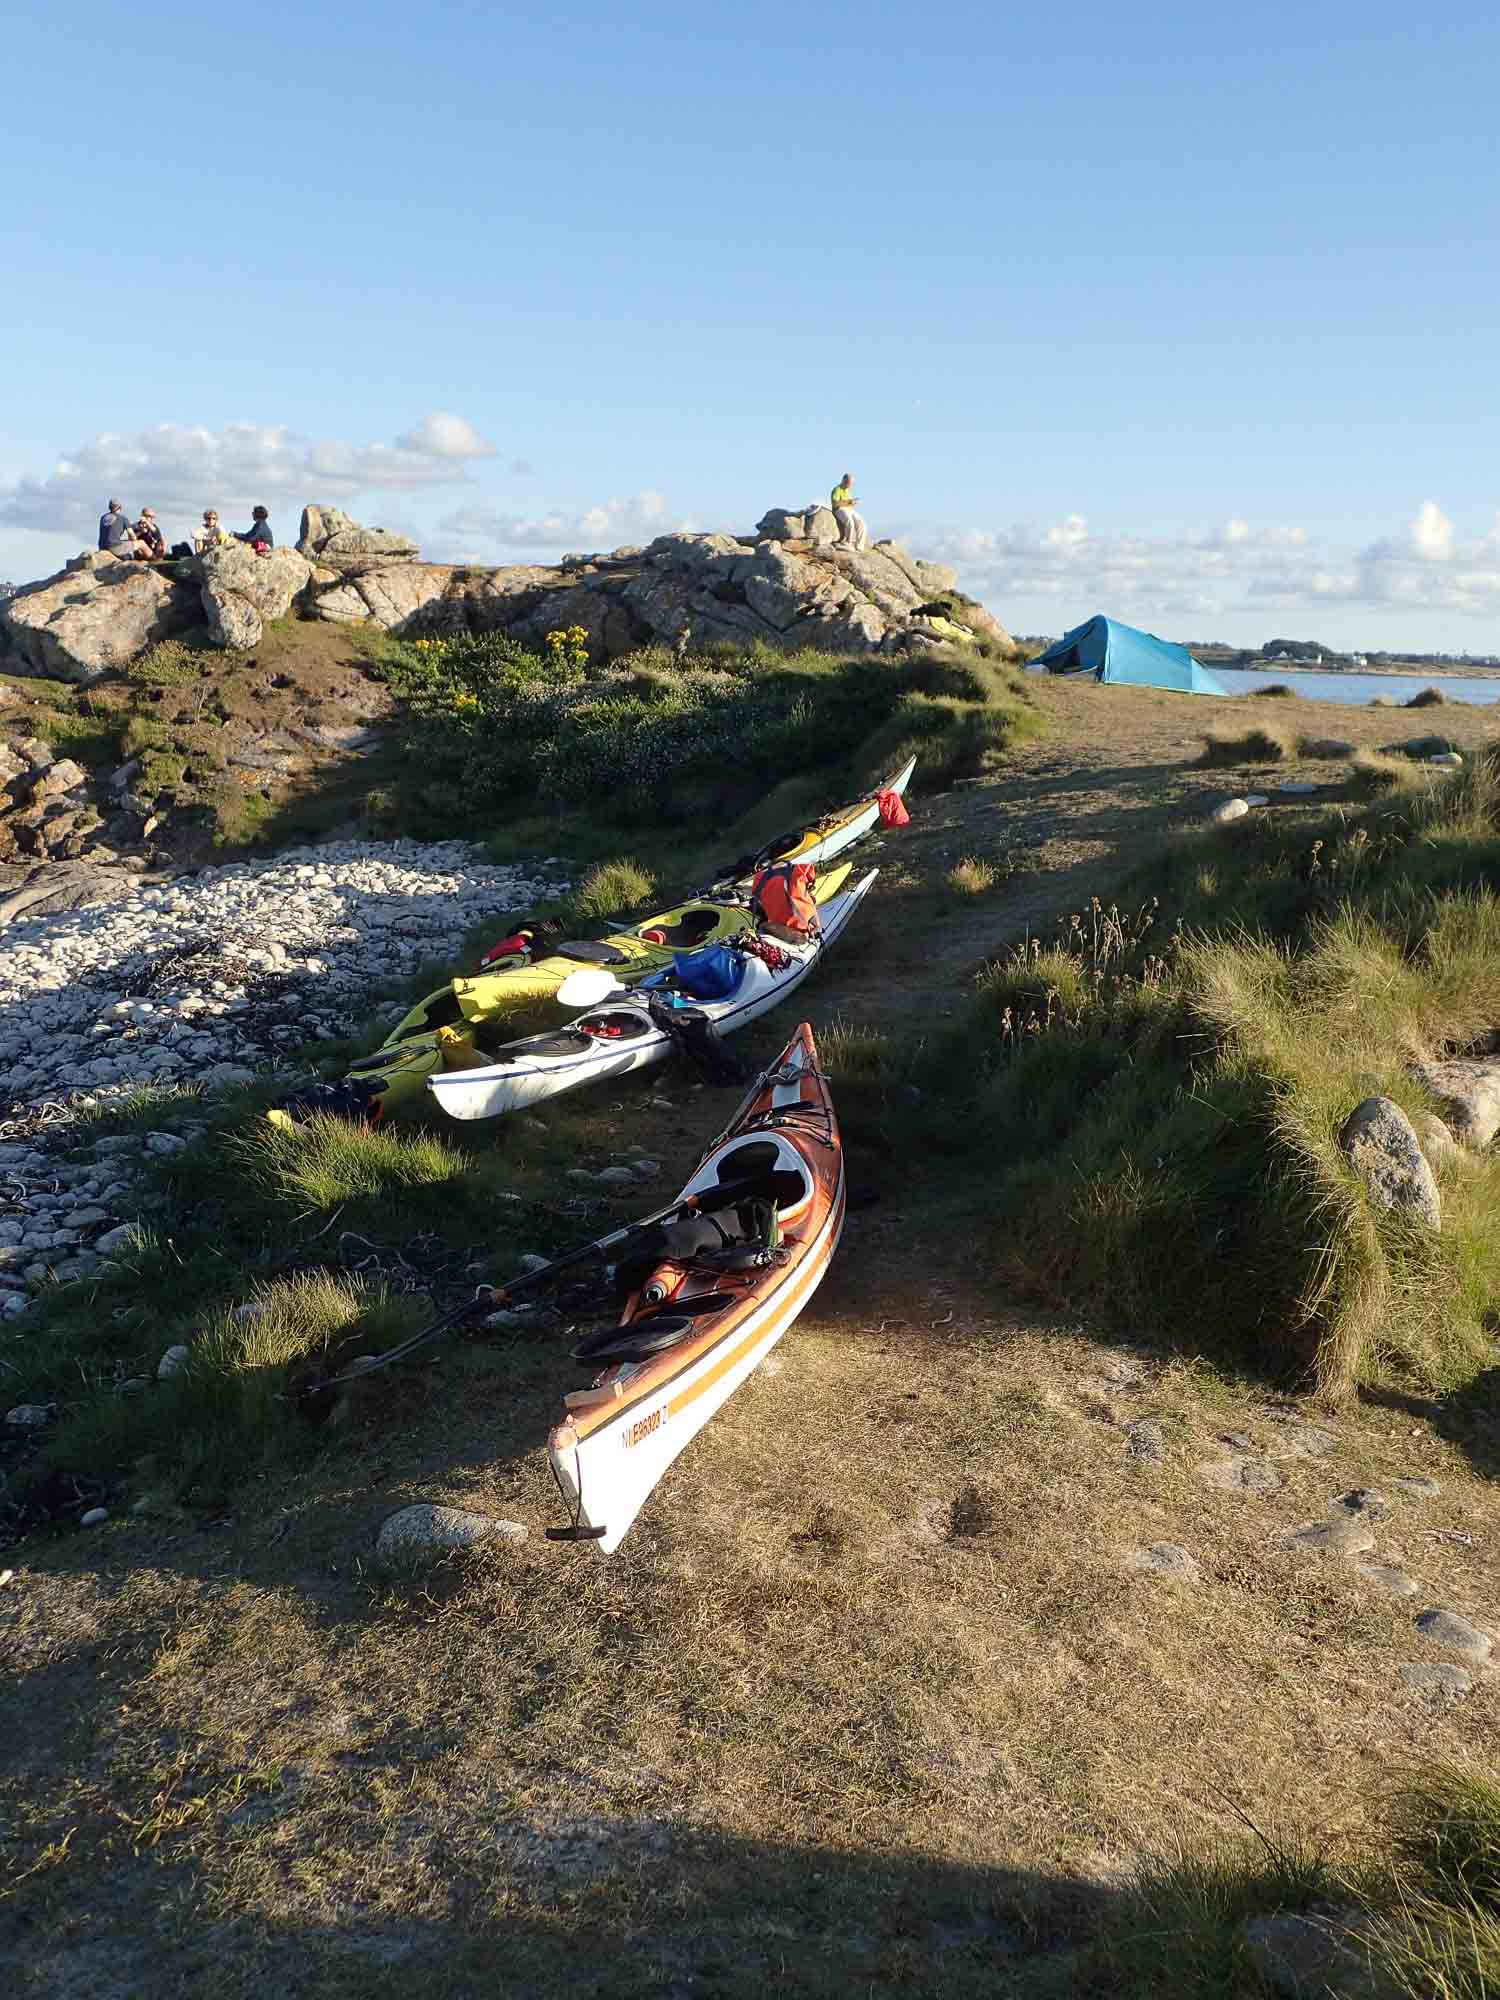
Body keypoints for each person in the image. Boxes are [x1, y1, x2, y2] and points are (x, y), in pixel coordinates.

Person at [830, 472, 868, 551]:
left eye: (851, 484)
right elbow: (835, 503)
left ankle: (859, 547)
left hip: (849, 509)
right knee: (850, 522)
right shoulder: (837, 489)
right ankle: (848, 543)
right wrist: (849, 502)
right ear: (844, 481)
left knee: (862, 523)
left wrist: (853, 503)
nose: (850, 485)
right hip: (839, 509)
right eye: (849, 483)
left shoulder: (848, 491)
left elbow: (849, 503)